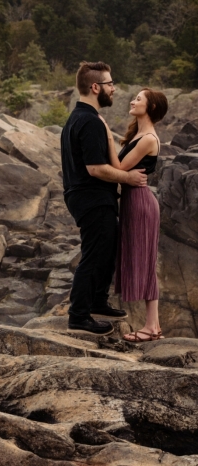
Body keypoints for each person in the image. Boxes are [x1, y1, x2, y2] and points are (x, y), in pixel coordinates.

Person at [61, 61, 148, 335]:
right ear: (95, 87)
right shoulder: (88, 121)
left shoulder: (82, 118)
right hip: (91, 198)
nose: (114, 89)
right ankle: (78, 315)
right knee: (94, 254)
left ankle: (98, 301)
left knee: (106, 252)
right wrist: (129, 178)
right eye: (110, 84)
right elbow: (95, 168)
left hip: (90, 197)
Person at [98, 88, 168, 342]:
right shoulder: (138, 134)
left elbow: (118, 167)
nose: (132, 100)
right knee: (145, 261)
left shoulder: (148, 138)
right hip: (133, 202)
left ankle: (151, 327)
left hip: (140, 203)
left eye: (139, 98)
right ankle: (154, 327)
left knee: (147, 262)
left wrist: (106, 133)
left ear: (150, 107)